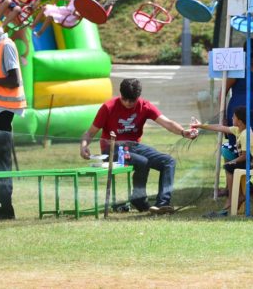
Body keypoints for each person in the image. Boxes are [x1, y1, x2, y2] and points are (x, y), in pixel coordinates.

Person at [79, 78, 198, 214]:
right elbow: (90, 132)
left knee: (168, 161)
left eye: (132, 100)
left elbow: (167, 123)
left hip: (134, 146)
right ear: (121, 95)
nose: (128, 103)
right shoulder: (108, 107)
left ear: (138, 97)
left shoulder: (145, 106)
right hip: (112, 149)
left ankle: (162, 204)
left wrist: (183, 132)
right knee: (142, 161)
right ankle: (138, 199)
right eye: (125, 99)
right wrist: (83, 146)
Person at [191, 106, 253, 216]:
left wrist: (232, 161)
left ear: (239, 121)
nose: (231, 118)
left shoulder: (245, 134)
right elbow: (220, 127)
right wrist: (201, 125)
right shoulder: (239, 129)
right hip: (252, 161)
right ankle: (236, 196)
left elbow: (245, 156)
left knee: (229, 166)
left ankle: (233, 197)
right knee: (230, 167)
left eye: (234, 117)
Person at [0, 19, 24, 220]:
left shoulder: (6, 46)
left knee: (1, 163)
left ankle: (5, 208)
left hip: (2, 115)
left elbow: (14, 80)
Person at [225, 36, 253, 132]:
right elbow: (223, 92)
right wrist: (222, 116)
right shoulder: (237, 67)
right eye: (251, 55)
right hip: (238, 110)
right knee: (237, 141)